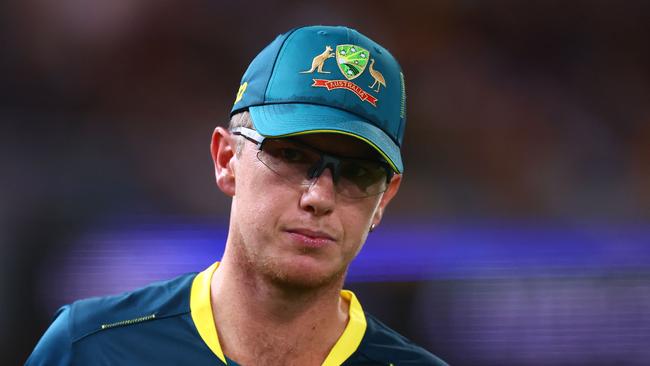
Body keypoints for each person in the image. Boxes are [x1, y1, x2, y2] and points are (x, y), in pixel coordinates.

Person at [26, 25, 448, 366]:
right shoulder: (91, 349)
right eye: (292, 155)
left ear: (385, 199)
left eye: (357, 172)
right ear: (226, 158)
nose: (319, 196)